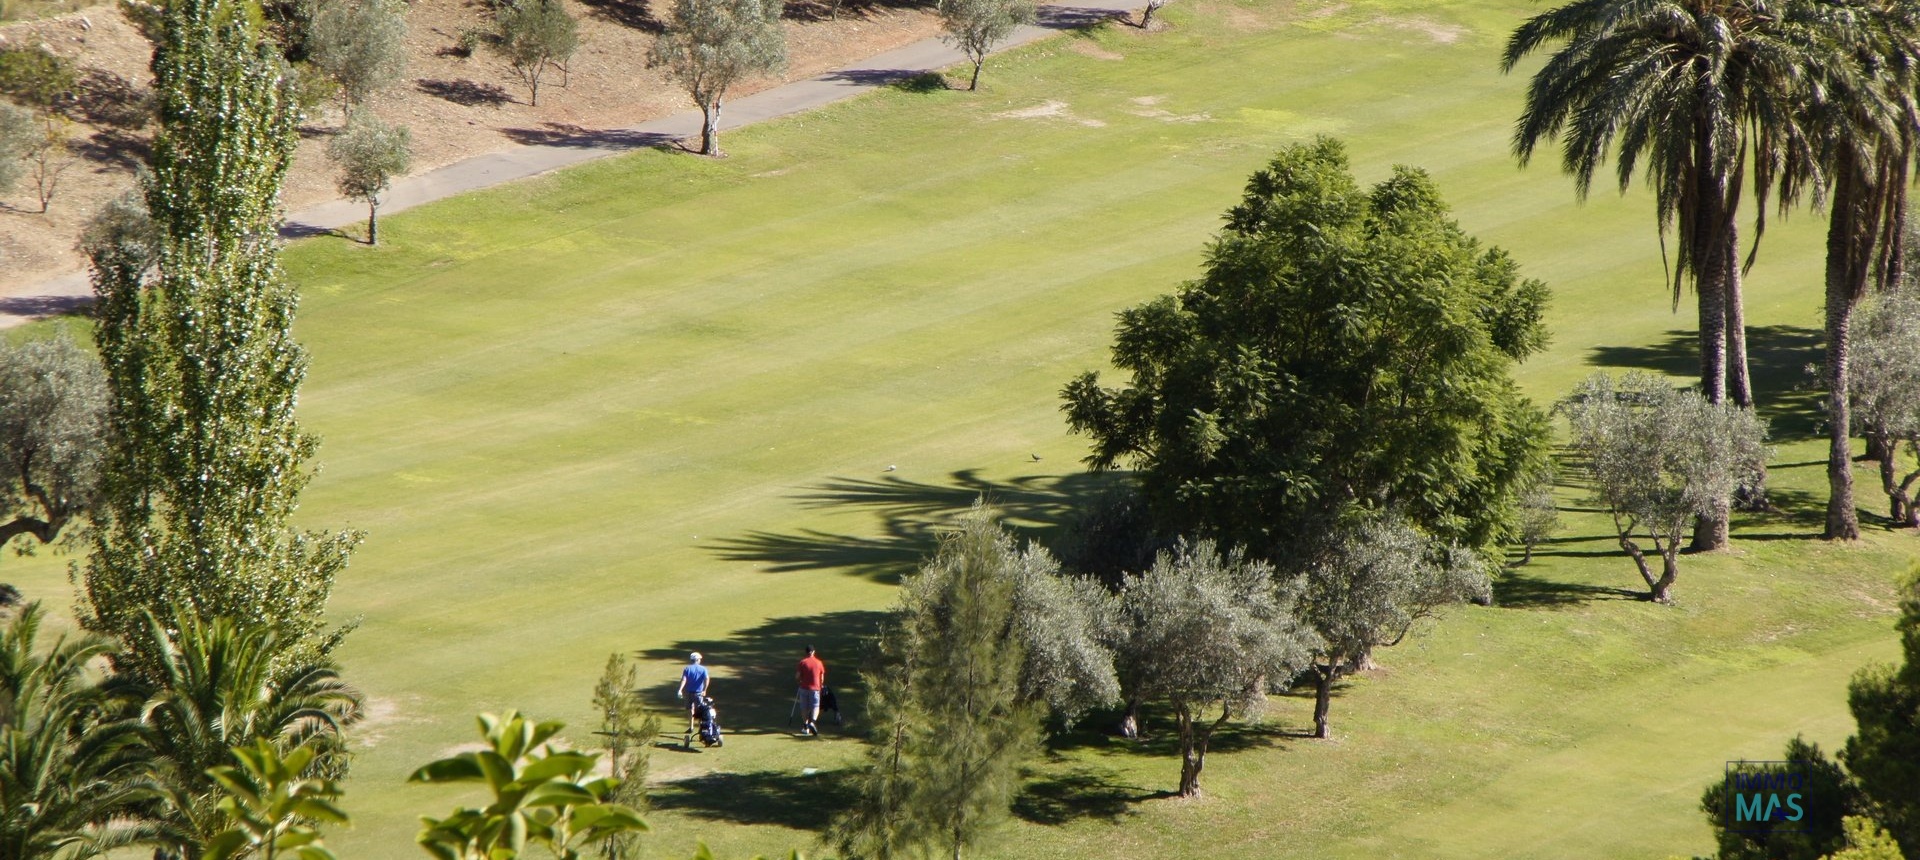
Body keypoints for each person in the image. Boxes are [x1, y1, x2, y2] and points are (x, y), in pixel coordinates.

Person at [676, 651, 710, 738]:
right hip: (698, 693)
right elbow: (706, 679)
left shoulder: (687, 668)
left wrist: (680, 689)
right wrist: (704, 690)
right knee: (700, 711)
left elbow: (684, 680)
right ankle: (700, 728)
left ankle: (691, 727)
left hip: (688, 692)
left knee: (690, 710)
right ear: (698, 660)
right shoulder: (703, 669)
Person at [795, 644, 826, 736]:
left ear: (806, 652)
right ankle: (812, 722)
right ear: (813, 652)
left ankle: (805, 727)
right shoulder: (819, 662)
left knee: (804, 707)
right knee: (815, 706)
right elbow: (822, 678)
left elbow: (797, 676)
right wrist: (820, 685)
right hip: (815, 688)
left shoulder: (802, 662)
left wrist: (800, 680)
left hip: (804, 688)